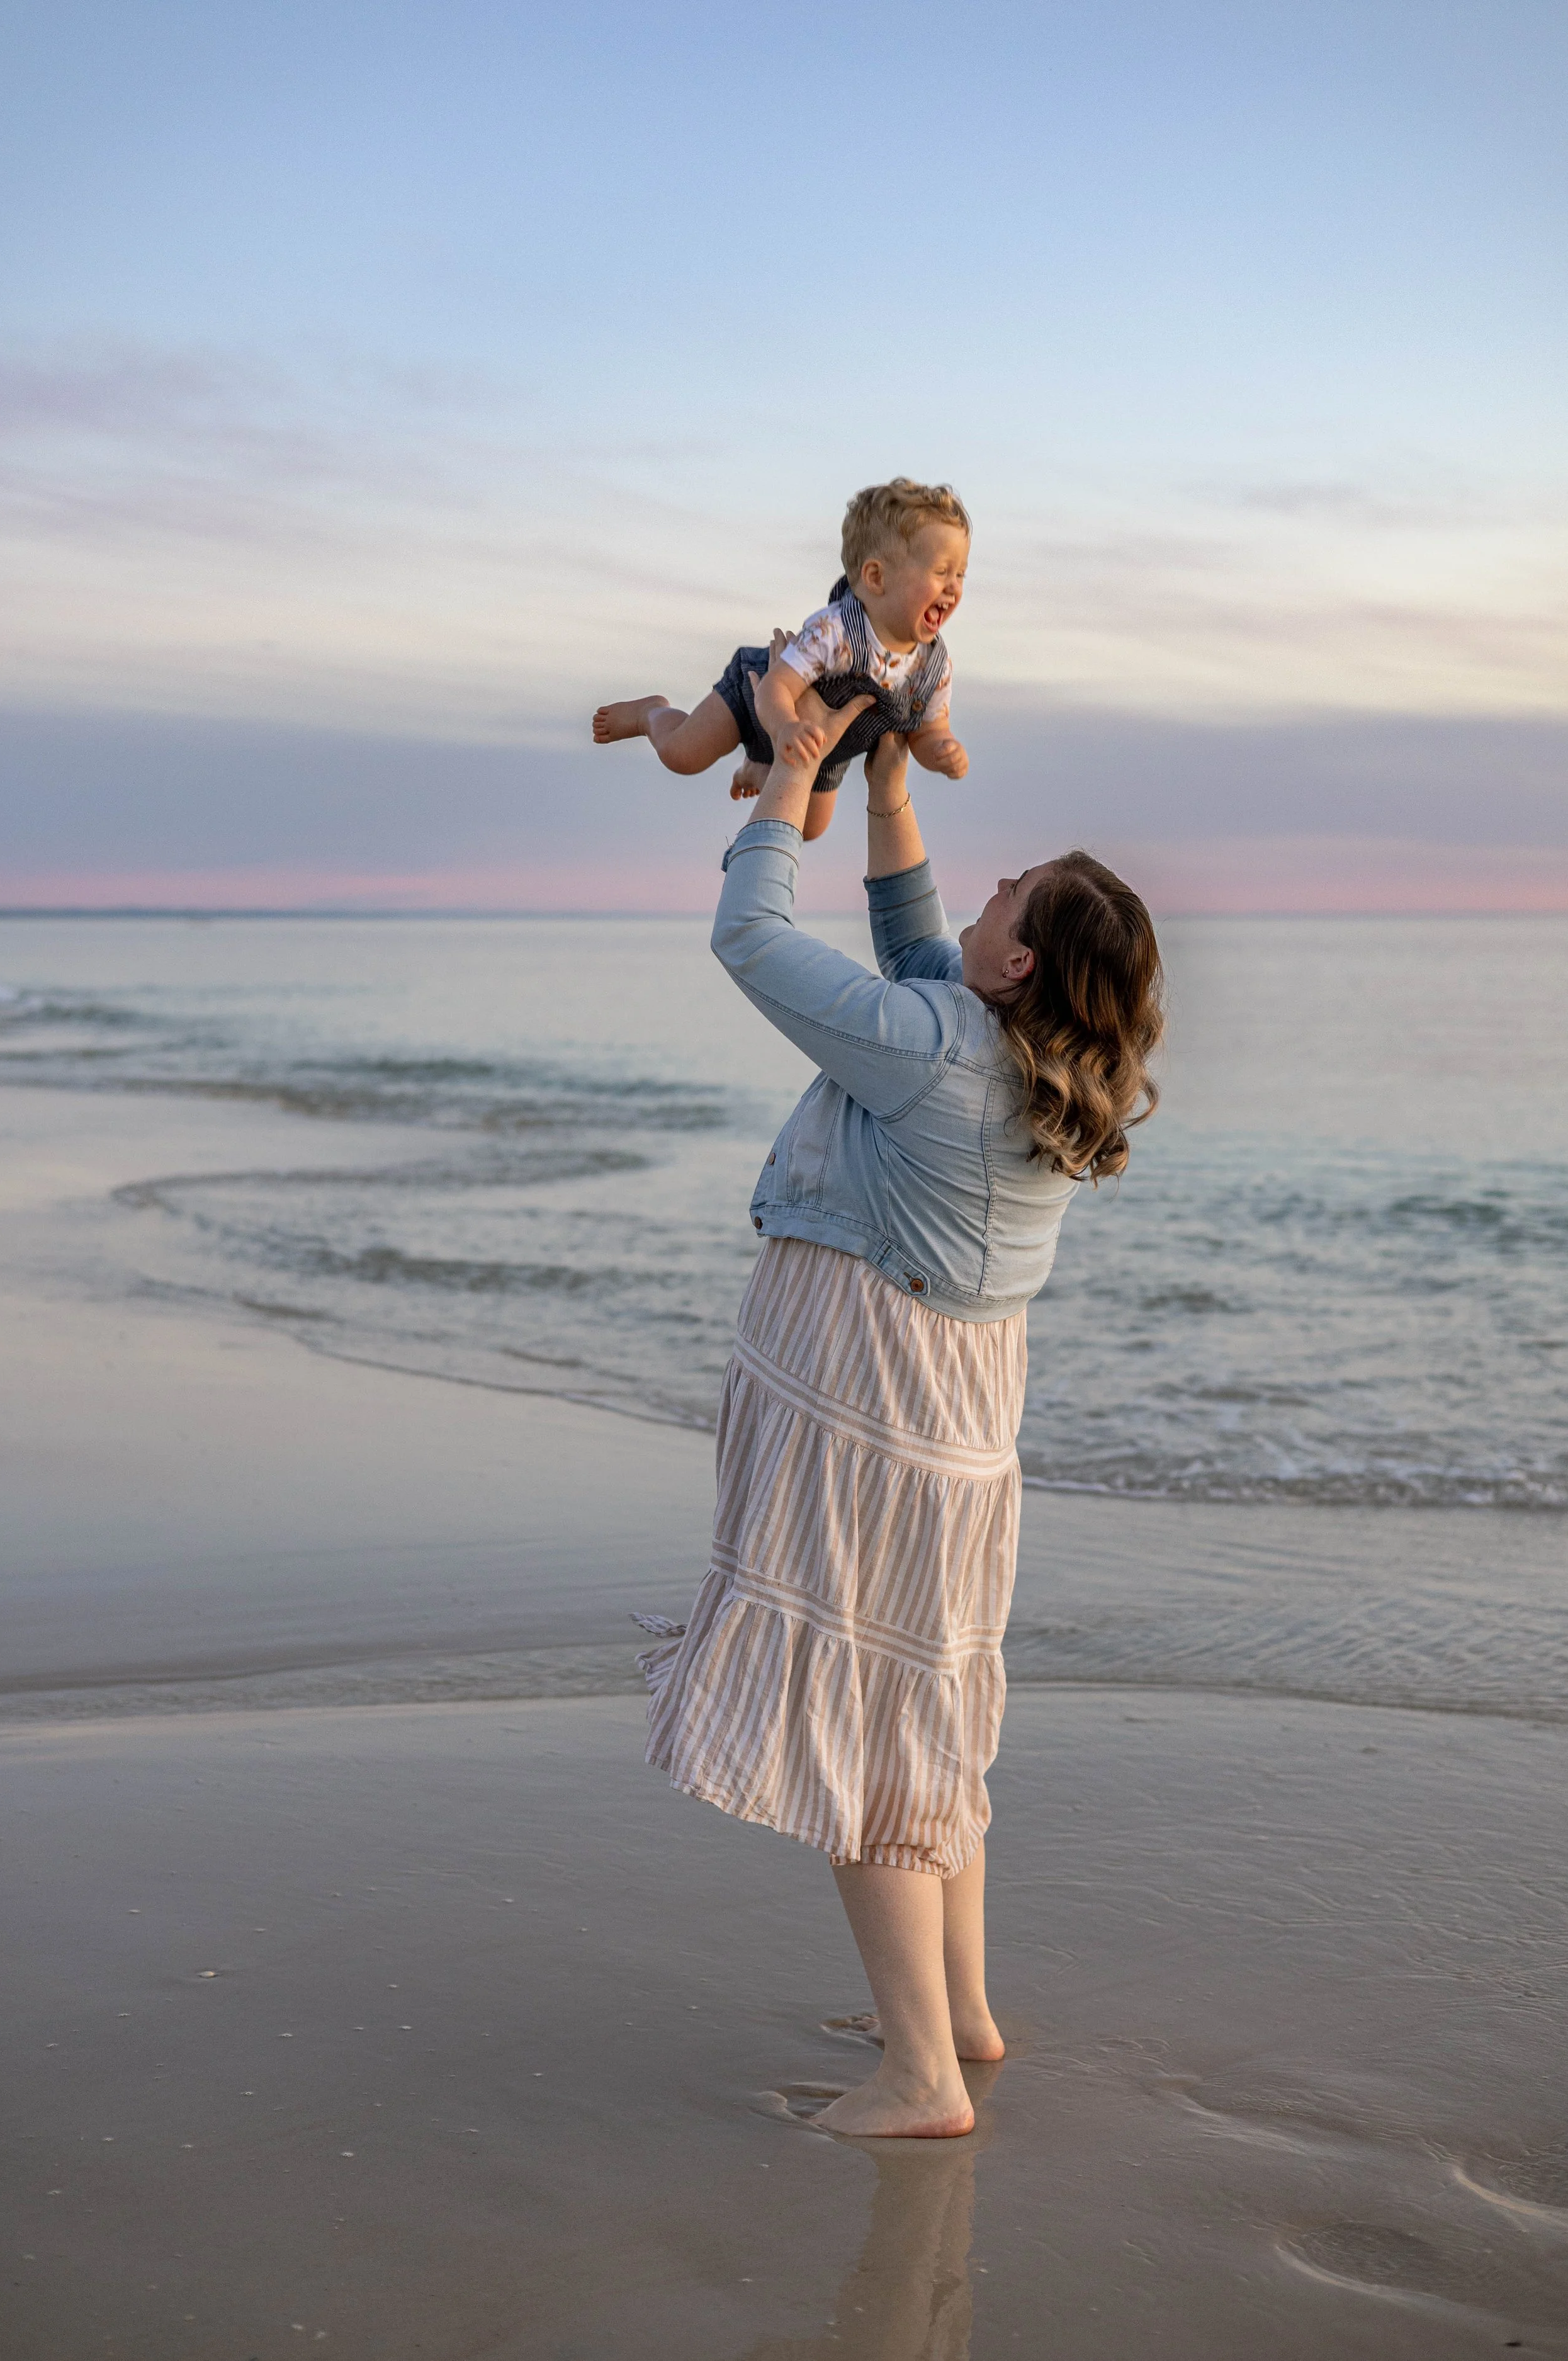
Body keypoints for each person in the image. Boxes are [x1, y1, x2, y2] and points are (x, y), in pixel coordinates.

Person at [636, 705, 1165, 2138]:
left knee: (864, 1734)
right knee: (929, 1716)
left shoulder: (932, 1049)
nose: (976, 891)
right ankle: (962, 2017)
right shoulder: (1045, 1062)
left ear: (1020, 962)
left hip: (864, 1414)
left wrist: (793, 782)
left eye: (1004, 893)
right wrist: (884, 782)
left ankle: (921, 2077)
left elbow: (751, 942)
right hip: (957, 1424)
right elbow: (916, 935)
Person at [591, 478, 971, 842]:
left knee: (810, 827)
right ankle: (651, 714)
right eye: (941, 572)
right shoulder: (835, 631)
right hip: (759, 702)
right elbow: (777, 686)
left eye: (960, 574)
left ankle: (763, 768)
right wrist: (785, 727)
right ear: (876, 577)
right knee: (682, 755)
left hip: (823, 744)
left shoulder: (932, 668)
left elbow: (929, 728)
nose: (954, 586)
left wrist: (940, 751)